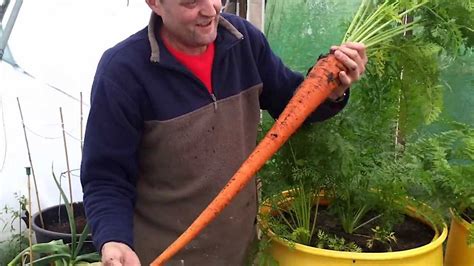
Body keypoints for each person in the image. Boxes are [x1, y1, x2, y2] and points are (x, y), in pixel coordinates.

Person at [80, 0, 368, 265]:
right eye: (191, 1)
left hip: (241, 253)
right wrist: (113, 239)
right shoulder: (123, 72)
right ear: (155, 3)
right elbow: (106, 176)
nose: (212, 8)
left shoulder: (243, 41)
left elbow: (294, 106)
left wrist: (332, 87)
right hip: (166, 257)